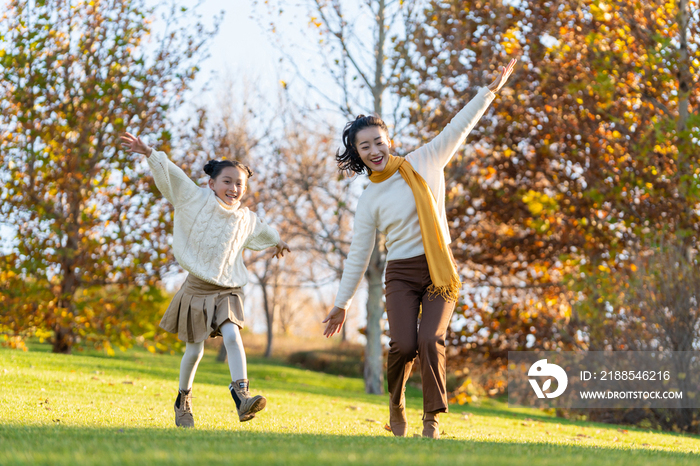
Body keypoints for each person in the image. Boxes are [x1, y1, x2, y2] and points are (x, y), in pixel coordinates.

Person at [322, 59, 516, 439]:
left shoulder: (426, 160)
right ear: (358, 154)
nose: (375, 150)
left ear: (389, 139)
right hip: (401, 274)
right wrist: (342, 303)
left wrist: (489, 91)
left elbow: (460, 126)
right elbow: (358, 255)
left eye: (379, 141)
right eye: (365, 146)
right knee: (404, 344)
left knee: (430, 339)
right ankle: (396, 404)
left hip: (439, 270)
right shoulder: (370, 199)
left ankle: (431, 420)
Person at [121, 133, 290, 428]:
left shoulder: (246, 219)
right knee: (194, 351)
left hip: (228, 288)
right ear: (212, 183)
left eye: (240, 184)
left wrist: (277, 242)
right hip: (197, 287)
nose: (234, 188)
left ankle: (242, 394)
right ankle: (183, 399)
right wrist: (149, 152)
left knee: (233, 336)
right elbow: (172, 175)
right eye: (227, 181)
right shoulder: (194, 198)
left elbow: (264, 231)